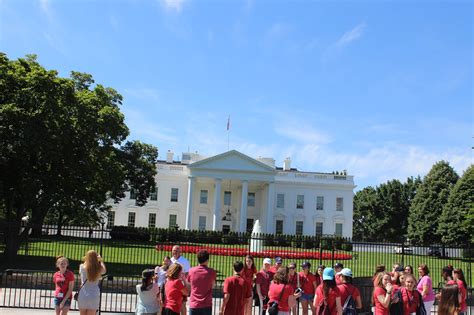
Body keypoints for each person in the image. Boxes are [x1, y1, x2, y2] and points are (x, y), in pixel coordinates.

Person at [187, 250, 216, 315]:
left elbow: (189, 284)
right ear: (207, 260)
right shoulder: (212, 272)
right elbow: (213, 285)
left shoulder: (191, 271)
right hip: (207, 304)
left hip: (194, 304)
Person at [78, 250, 106, 315]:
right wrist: (101, 260)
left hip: (83, 293)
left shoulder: (82, 266)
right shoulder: (98, 268)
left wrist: (88, 258)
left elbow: (85, 265)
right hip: (94, 294)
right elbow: (104, 271)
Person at [170, 245, 190, 315]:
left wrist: (185, 284)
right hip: (172, 285)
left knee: (182, 304)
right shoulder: (171, 260)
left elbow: (187, 274)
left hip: (181, 284)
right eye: (173, 251)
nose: (174, 252)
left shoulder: (184, 261)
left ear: (180, 252)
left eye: (176, 251)